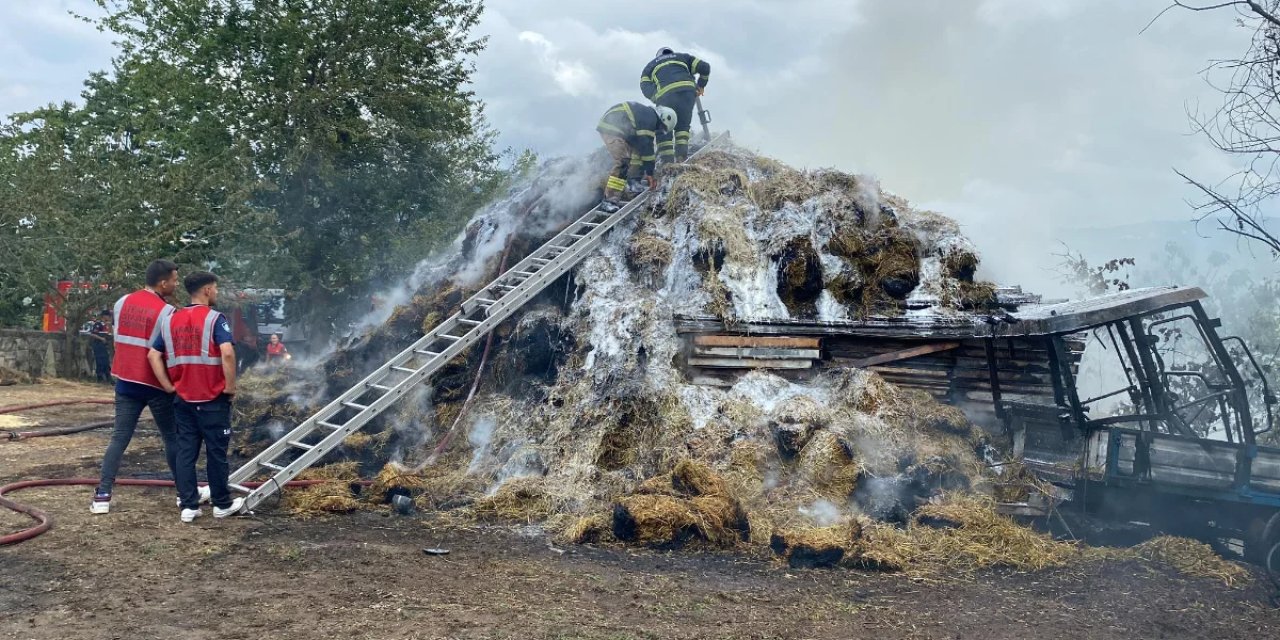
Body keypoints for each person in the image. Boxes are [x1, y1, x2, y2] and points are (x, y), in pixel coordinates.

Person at [91, 260, 209, 514]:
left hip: (125, 382)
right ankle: (184, 493)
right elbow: (167, 351)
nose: (177, 285)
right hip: (156, 385)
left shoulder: (121, 302)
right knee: (172, 438)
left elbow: (118, 338)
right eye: (175, 281)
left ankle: (102, 495)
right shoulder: (167, 312)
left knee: (119, 438)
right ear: (163, 282)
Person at [148, 271, 244, 523]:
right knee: (216, 453)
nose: (217, 292)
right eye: (216, 288)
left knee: (185, 453)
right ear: (207, 290)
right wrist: (231, 387)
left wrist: (169, 387)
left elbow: (152, 355)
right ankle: (222, 504)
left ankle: (188, 506)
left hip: (183, 399)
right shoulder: (215, 320)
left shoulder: (171, 320)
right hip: (212, 399)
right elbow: (227, 353)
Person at [596, 101, 677, 212]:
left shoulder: (646, 115)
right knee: (623, 162)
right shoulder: (650, 117)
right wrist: (649, 174)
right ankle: (609, 200)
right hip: (612, 128)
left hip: (620, 130)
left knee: (637, 153)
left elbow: (642, 148)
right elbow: (646, 146)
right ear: (662, 118)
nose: (658, 130)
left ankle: (633, 182)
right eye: (661, 127)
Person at [640, 47, 711, 163]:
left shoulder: (650, 66)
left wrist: (656, 98)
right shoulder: (683, 57)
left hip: (666, 96)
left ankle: (668, 163)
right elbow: (705, 67)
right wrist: (701, 85)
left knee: (663, 128)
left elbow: (644, 85)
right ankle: (681, 158)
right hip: (687, 93)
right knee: (683, 127)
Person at [89, 311, 112, 383]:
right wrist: (101, 339)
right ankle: (100, 377)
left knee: (106, 361)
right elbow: (92, 334)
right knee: (100, 361)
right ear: (104, 316)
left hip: (104, 346)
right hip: (98, 345)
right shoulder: (98, 324)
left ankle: (108, 377)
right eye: (108, 316)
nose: (109, 317)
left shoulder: (107, 325)